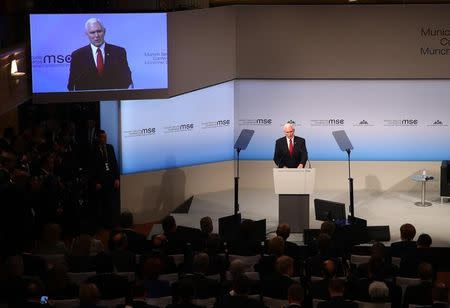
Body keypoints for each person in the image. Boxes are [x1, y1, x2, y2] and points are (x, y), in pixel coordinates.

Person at [67, 18, 132, 91]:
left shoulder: (119, 52)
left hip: (113, 98)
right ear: (87, 34)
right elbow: (71, 85)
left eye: (99, 31)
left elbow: (127, 79)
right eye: (92, 32)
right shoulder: (77, 56)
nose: (96, 35)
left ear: (104, 31)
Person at [88, 130, 120, 228]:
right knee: (101, 205)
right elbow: (91, 168)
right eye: (102, 137)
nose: (104, 139)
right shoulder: (93, 150)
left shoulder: (110, 148)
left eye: (105, 137)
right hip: (100, 182)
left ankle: (112, 224)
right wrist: (96, 182)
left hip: (111, 180)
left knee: (111, 203)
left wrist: (117, 178)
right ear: (98, 138)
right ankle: (102, 225)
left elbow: (114, 164)